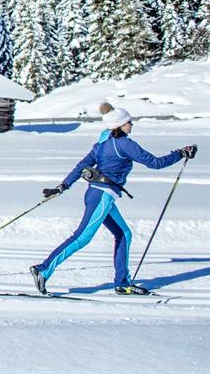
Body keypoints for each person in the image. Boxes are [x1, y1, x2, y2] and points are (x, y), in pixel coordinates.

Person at [30, 104, 196, 295]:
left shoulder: (102, 143)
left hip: (97, 194)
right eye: (129, 122)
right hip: (102, 195)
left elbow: (82, 165)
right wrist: (181, 153)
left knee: (124, 234)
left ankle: (122, 283)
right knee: (82, 237)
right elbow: (155, 163)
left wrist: (63, 186)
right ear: (120, 125)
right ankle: (43, 269)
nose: (131, 125)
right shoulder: (125, 144)